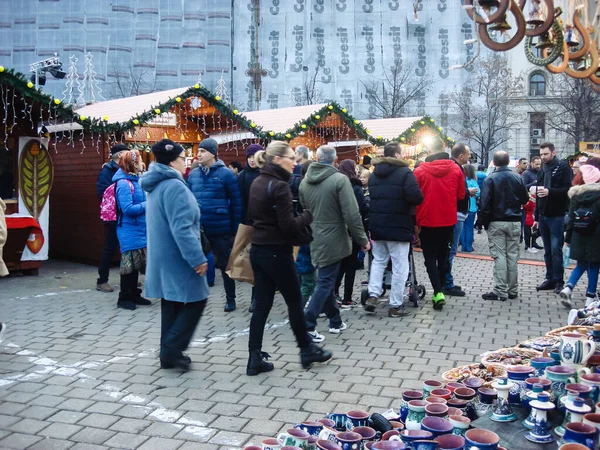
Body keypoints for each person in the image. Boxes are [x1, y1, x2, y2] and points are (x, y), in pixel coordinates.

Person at [246, 141, 332, 375]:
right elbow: (288, 225)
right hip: (277, 252)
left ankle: (254, 357)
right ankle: (306, 350)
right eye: (290, 158)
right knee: (294, 302)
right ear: (277, 159)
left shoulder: (257, 182)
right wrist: (307, 216)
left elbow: (253, 217)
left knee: (262, 306)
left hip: (259, 250)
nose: (294, 162)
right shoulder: (280, 186)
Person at [140, 139, 209, 371]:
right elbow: (182, 228)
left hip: (163, 255)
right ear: (171, 161)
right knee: (196, 299)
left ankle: (168, 354)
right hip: (178, 256)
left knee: (172, 303)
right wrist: (197, 258)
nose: (186, 161)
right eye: (182, 158)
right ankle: (171, 349)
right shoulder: (174, 186)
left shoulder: (157, 184)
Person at [300, 146, 370, 342]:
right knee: (324, 282)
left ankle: (335, 321)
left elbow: (305, 209)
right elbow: (351, 213)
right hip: (334, 236)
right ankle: (308, 323)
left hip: (315, 234)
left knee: (326, 279)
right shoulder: (340, 180)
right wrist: (362, 239)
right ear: (335, 160)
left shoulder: (305, 182)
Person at [363, 142, 424, 317]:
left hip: (378, 224)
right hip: (398, 224)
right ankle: (395, 305)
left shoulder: (374, 175)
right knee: (400, 266)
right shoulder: (405, 173)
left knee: (379, 260)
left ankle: (373, 295)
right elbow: (416, 196)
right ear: (397, 155)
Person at [188, 138, 242, 312]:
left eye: (203, 151)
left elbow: (236, 203)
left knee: (226, 264)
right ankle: (194, 298)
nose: (199, 154)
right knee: (196, 263)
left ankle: (230, 298)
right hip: (199, 228)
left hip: (221, 227)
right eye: (199, 151)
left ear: (212, 153)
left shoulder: (226, 174)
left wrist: (235, 229)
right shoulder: (193, 174)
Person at [414, 149, 465, 310]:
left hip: (427, 220)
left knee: (429, 257)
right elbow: (461, 194)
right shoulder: (456, 169)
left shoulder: (419, 171)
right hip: (448, 220)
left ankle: (437, 291)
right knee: (444, 256)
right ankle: (440, 289)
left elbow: (414, 196)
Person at [479, 151, 529, 301]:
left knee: (499, 255)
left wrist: (484, 222)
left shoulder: (491, 179)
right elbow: (525, 198)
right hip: (514, 220)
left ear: (494, 163)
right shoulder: (517, 178)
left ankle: (500, 290)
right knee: (512, 256)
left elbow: (485, 203)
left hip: (497, 221)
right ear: (509, 162)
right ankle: (512, 289)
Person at [113, 150, 149, 310]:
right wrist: (148, 204)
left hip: (139, 228)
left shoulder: (136, 180)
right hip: (129, 229)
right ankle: (124, 298)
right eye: (140, 161)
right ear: (133, 164)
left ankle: (135, 294)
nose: (142, 164)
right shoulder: (123, 183)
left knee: (136, 265)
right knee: (128, 266)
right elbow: (127, 208)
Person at [534, 142, 573, 293]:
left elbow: (568, 190)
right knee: (547, 249)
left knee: (556, 249)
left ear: (553, 152)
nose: (543, 157)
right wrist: (536, 217)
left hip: (557, 215)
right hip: (543, 214)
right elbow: (538, 193)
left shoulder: (563, 167)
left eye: (545, 154)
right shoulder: (542, 168)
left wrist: (550, 192)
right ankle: (549, 278)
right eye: (541, 154)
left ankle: (558, 280)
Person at [560, 165, 600, 308]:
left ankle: (568, 287)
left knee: (581, 263)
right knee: (594, 265)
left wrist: (568, 239)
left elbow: (570, 219)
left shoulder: (576, 195)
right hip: (596, 236)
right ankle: (590, 297)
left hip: (578, 234)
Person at [334, 159, 369, 309]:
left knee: (341, 265)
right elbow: (359, 209)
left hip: (339, 229)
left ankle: (334, 294)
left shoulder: (336, 184)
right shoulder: (356, 187)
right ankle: (347, 297)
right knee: (350, 266)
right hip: (353, 229)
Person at [96, 143, 128, 293]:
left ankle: (128, 279)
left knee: (126, 248)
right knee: (110, 247)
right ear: (120, 155)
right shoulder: (107, 171)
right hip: (114, 215)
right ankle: (102, 280)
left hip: (125, 215)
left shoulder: (125, 170)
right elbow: (102, 193)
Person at [443, 143, 472, 297]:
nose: (469, 157)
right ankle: (447, 283)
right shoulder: (456, 169)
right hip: (455, 214)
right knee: (450, 250)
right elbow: (457, 192)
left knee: (448, 250)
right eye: (468, 155)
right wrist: (468, 192)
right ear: (461, 156)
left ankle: (446, 281)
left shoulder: (453, 167)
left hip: (454, 213)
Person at [238, 144, 263, 313]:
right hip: (248, 223)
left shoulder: (265, 174)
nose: (252, 160)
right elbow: (238, 201)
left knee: (261, 263)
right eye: (249, 157)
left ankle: (259, 296)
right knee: (251, 263)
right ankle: (255, 298)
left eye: (254, 156)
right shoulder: (242, 176)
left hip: (263, 224)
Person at [296, 161, 317, 307]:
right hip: (306, 235)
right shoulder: (307, 187)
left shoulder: (298, 185)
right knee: (308, 281)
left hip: (300, 235)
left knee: (310, 280)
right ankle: (299, 309)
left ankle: (320, 306)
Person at [460, 164, 480, 252]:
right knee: (469, 227)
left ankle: (463, 245)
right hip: (471, 208)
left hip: (462, 207)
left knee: (462, 227)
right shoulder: (472, 181)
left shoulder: (461, 180)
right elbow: (478, 193)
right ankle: (468, 246)